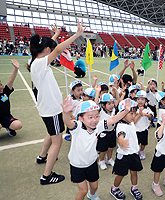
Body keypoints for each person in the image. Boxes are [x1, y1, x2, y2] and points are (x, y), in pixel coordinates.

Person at [28, 20, 85, 185]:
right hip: (51, 109)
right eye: (50, 50)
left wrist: (56, 34)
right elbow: (58, 49)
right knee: (57, 141)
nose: (52, 52)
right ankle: (46, 176)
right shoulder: (40, 63)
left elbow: (50, 48)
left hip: (48, 108)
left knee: (52, 133)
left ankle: (42, 156)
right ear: (46, 50)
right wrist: (77, 34)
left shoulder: (35, 61)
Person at [62, 98, 131, 200]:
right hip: (77, 165)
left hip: (91, 163)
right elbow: (68, 122)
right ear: (81, 118)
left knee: (94, 186)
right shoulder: (77, 127)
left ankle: (92, 194)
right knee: (83, 190)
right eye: (90, 117)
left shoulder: (98, 126)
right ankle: (88, 194)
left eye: (96, 116)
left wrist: (125, 111)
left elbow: (113, 120)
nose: (94, 120)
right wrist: (66, 112)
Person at [110, 99, 143, 200]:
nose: (133, 115)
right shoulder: (121, 126)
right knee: (121, 174)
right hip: (124, 156)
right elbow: (120, 136)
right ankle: (114, 189)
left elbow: (134, 120)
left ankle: (134, 188)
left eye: (134, 113)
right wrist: (122, 143)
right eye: (131, 113)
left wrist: (139, 115)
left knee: (134, 172)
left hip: (133, 154)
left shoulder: (130, 122)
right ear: (122, 114)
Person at [0, 59, 23, 137]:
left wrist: (16, 69)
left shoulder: (5, 92)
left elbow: (11, 80)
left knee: (18, 125)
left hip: (7, 117)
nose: (1, 87)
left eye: (1, 85)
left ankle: (9, 127)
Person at [134, 90, 153, 160]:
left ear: (145, 100)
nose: (140, 101)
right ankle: (136, 151)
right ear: (136, 100)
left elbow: (151, 116)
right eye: (138, 99)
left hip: (144, 129)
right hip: (136, 129)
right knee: (136, 142)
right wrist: (137, 114)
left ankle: (141, 151)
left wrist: (145, 114)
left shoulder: (147, 108)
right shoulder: (134, 108)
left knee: (144, 143)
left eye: (142, 99)